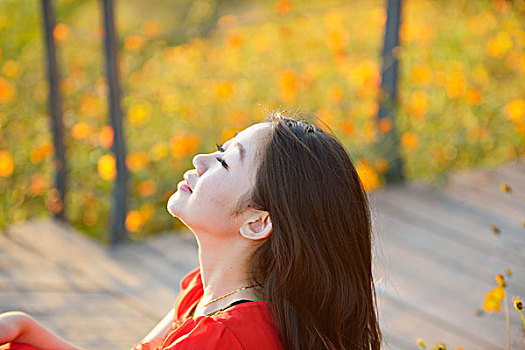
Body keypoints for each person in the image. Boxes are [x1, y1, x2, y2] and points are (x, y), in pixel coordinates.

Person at [0, 111, 382, 349]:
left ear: (257, 222)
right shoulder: (206, 291)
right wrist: (26, 327)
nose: (200, 160)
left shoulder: (221, 338)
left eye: (224, 162)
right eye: (218, 148)